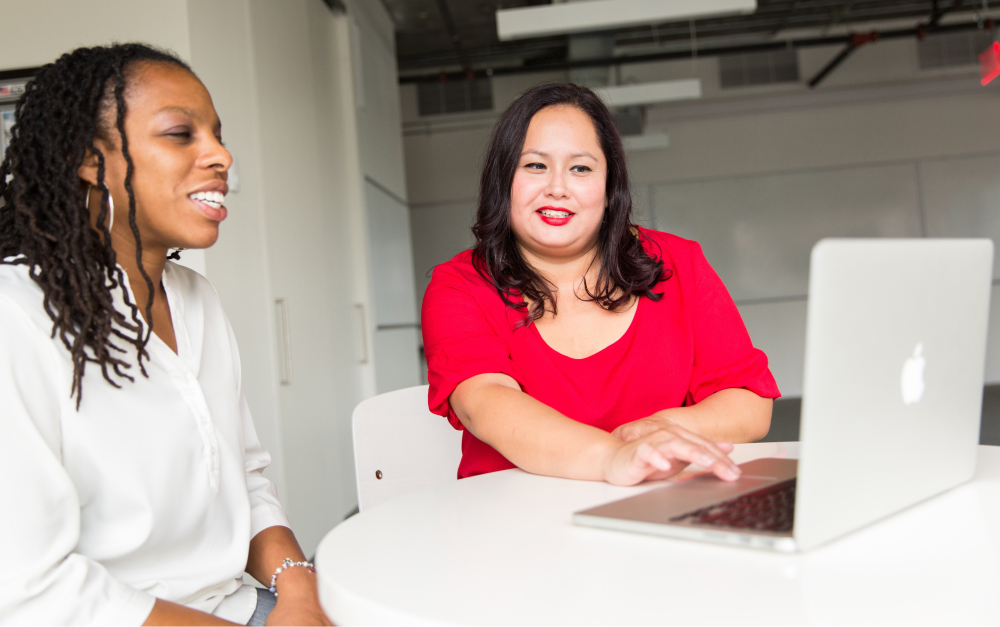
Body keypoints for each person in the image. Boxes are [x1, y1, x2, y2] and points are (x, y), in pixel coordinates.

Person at [0, 44, 329, 625]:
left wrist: (301, 592)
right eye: (181, 134)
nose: (221, 155)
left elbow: (244, 480)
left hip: (237, 605)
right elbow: (33, 590)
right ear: (87, 159)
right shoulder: (16, 314)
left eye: (218, 135)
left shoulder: (197, 298)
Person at [421, 82, 780, 486]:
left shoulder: (680, 263)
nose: (557, 188)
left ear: (610, 188)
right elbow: (485, 403)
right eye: (535, 165)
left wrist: (655, 432)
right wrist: (614, 457)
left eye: (581, 168)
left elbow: (749, 404)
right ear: (502, 180)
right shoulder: (459, 286)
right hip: (515, 516)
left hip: (657, 505)